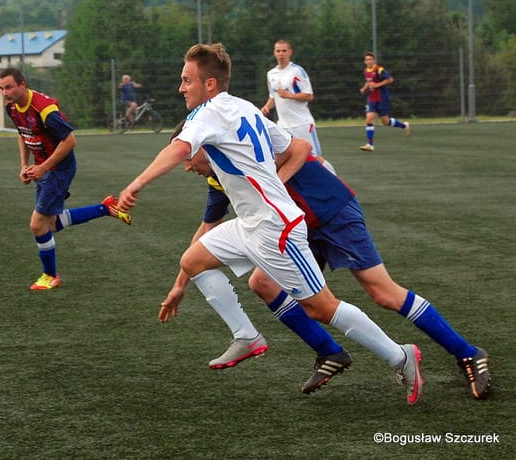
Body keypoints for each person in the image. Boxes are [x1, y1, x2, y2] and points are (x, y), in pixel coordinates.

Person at [118, 43, 423, 404]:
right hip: (250, 223)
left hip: (276, 230)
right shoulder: (244, 107)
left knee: (321, 307)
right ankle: (246, 336)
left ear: (210, 84)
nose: (181, 88)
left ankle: (400, 356)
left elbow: (178, 149)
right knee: (192, 261)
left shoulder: (209, 113)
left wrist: (136, 183)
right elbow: (292, 144)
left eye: (187, 80)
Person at [170, 134, 491, 400]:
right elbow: (207, 229)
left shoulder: (243, 145)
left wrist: (274, 186)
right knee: (263, 283)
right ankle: (329, 352)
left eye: (186, 157)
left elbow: (302, 147)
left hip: (330, 209)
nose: (185, 167)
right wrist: (180, 282)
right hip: (296, 228)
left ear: (202, 145)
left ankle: (468, 352)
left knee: (384, 293)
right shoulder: (219, 176)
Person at [0, 67, 132, 290]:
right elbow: (23, 134)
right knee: (50, 224)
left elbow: (70, 141)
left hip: (59, 168)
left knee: (37, 225)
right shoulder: (11, 106)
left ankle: (50, 276)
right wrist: (24, 165)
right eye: (1, 88)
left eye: (9, 87)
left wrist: (43, 168)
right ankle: (105, 208)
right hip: (44, 167)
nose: (5, 92)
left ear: (23, 85)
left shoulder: (45, 109)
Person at [261, 40, 325, 160]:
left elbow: (309, 95)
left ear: (290, 52)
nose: (281, 54)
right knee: (285, 158)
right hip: (283, 125)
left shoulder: (297, 71)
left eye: (284, 51)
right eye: (278, 51)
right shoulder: (271, 74)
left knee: (314, 158)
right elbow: (273, 96)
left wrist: (289, 95)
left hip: (301, 124)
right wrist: (266, 107)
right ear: (274, 53)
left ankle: (334, 178)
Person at [359, 52, 410, 152]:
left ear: (374, 60)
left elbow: (390, 79)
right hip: (372, 99)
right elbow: (368, 81)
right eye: (367, 59)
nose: (369, 61)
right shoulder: (366, 70)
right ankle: (370, 144)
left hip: (382, 98)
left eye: (370, 59)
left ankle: (404, 125)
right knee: (369, 119)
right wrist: (364, 88)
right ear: (365, 61)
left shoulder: (379, 69)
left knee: (385, 122)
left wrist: (377, 85)